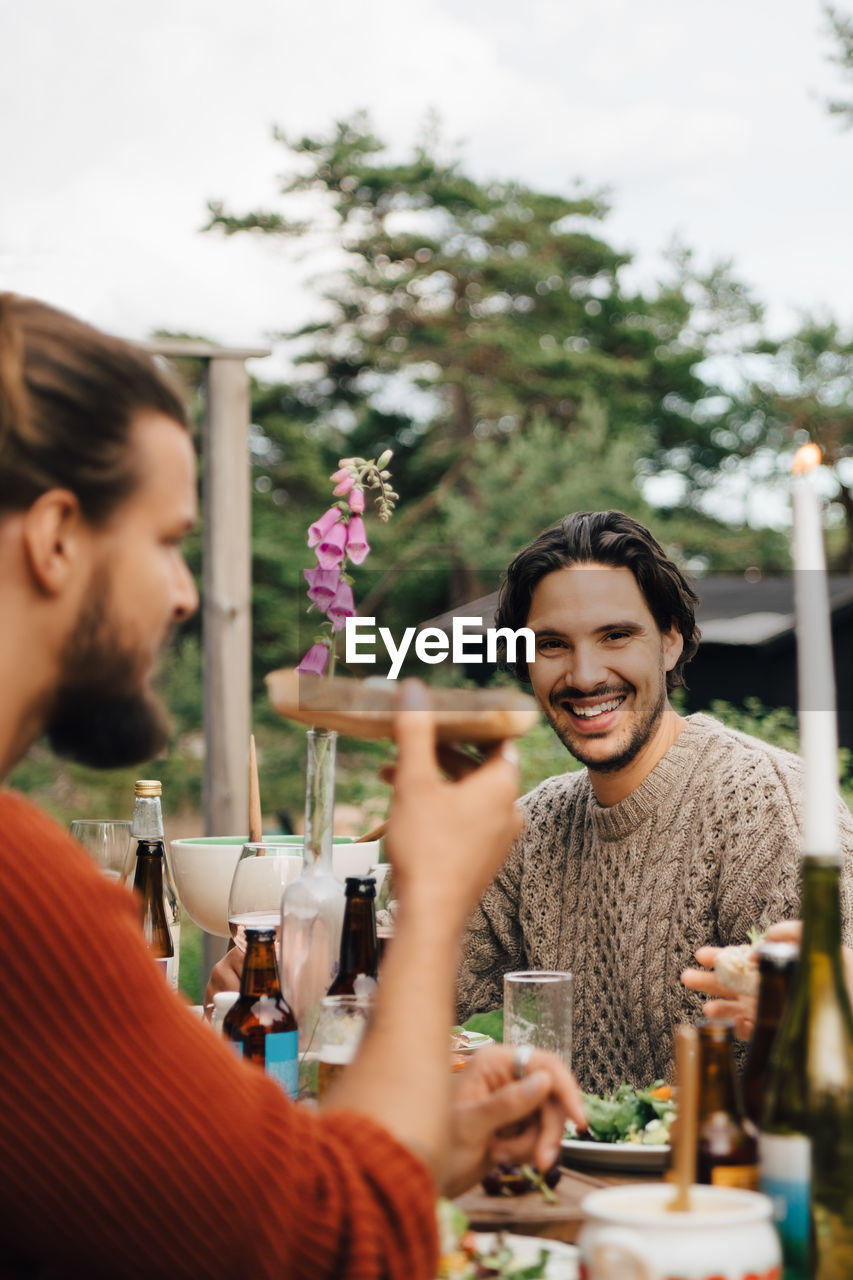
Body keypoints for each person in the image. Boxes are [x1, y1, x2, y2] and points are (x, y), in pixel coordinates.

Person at [0, 294, 585, 1279]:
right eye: (167, 539)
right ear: (57, 533)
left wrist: (434, 1128)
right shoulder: (22, 891)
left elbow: (221, 1201)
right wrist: (434, 888)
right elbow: (339, 1245)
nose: (187, 592)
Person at [456, 510, 853, 1096]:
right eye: (553, 645)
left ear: (670, 640)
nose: (586, 675)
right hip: (555, 1178)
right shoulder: (527, 829)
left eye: (616, 636)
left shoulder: (771, 807)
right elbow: (452, 1025)